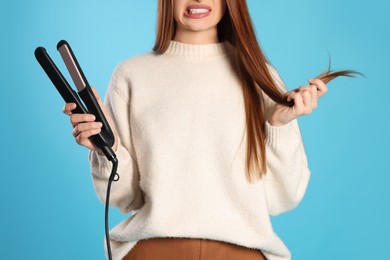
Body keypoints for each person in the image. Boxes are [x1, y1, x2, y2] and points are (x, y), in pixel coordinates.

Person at [62, 0, 357, 259]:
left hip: (242, 252)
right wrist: (107, 150)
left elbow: (285, 196)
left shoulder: (260, 76)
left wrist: (278, 126)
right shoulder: (131, 75)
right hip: (153, 251)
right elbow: (123, 198)